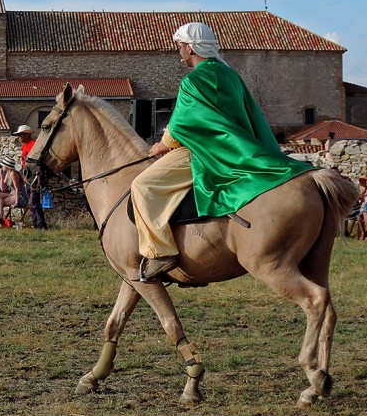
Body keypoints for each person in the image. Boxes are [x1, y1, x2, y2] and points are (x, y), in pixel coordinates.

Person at [130, 21, 314, 281]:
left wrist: (161, 145)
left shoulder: (193, 81)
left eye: (180, 45)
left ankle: (160, 254)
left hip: (205, 152)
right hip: (236, 147)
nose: (178, 50)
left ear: (191, 49)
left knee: (143, 185)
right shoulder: (230, 75)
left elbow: (181, 123)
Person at [13, 124, 47, 229]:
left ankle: (40, 225)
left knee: (34, 201)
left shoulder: (33, 144)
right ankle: (36, 224)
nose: (19, 137)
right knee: (31, 202)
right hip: (27, 176)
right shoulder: (24, 146)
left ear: (26, 135)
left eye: (20, 135)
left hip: (34, 177)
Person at [0, 156, 28, 227]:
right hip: (13, 195)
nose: (2, 166)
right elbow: (3, 188)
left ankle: (0, 220)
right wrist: (2, 176)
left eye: (3, 165)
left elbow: (17, 189)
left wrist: (16, 203)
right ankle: (0, 219)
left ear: (6, 166)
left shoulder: (13, 174)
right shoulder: (7, 173)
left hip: (21, 197)